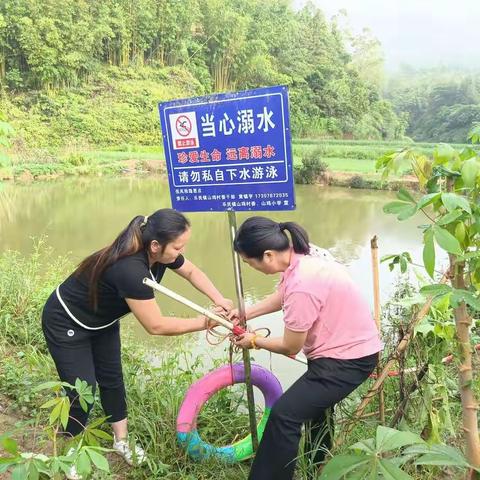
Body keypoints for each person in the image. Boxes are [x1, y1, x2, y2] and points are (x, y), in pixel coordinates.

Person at [41, 208, 232, 479]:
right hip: (66, 320)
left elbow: (191, 272)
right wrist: (204, 322)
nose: (180, 253)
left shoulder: (160, 253)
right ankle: (70, 453)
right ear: (155, 246)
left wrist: (219, 299)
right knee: (82, 390)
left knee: (113, 380)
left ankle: (121, 441)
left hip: (102, 320)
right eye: (178, 247)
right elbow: (156, 325)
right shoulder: (130, 268)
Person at [231, 216, 382, 480]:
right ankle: (316, 468)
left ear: (267, 255)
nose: (250, 267)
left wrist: (253, 340)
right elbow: (284, 294)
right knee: (315, 412)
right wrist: (247, 312)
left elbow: (291, 346)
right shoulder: (304, 254)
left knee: (285, 416)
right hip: (342, 349)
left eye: (248, 262)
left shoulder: (303, 283)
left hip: (347, 360)